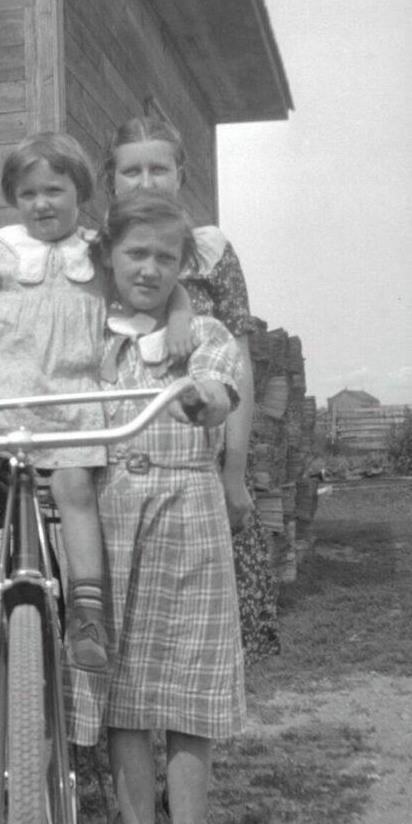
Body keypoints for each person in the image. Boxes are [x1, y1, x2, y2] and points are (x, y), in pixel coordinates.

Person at [64, 190, 247, 824]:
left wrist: (206, 396)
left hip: (188, 521)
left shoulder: (201, 331)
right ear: (108, 254)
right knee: (128, 704)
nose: (149, 268)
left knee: (191, 701)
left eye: (164, 257)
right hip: (109, 525)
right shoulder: (88, 336)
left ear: (184, 266)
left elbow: (221, 381)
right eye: (135, 254)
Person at [0, 132, 111, 674]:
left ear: (80, 192)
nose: (41, 204)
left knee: (75, 488)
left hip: (70, 396)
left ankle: (87, 612)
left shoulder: (97, 250)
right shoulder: (1, 247)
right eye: (28, 193)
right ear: (14, 198)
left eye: (54, 190)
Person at [103, 112, 280, 664]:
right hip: (124, 460)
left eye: (159, 168)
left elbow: (240, 364)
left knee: (199, 635)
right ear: (112, 179)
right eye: (132, 171)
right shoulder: (107, 247)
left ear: (180, 175)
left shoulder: (209, 249)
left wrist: (234, 469)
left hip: (198, 451)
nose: (147, 181)